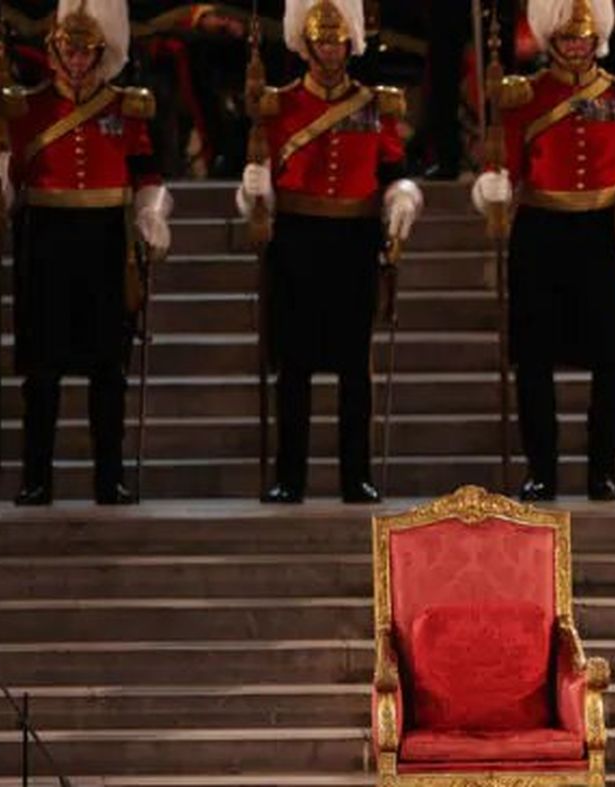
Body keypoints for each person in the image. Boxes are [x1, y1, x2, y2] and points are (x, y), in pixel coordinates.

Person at [470, 0, 615, 502]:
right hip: (540, 233)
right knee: (534, 360)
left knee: (609, 361)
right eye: (567, 38)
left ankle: (602, 469)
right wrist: (491, 186)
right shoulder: (525, 98)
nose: (576, 46)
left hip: (602, 232)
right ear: (551, 40)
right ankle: (542, 469)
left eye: (583, 38)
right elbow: (504, 166)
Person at [0, 0, 172, 505]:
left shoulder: (125, 108)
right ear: (53, 51)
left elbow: (148, 175)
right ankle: (36, 478)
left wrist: (152, 214)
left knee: (109, 368)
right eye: (69, 49)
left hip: (107, 240)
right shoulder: (26, 108)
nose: (78, 59)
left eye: (86, 51)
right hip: (45, 239)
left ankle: (109, 478)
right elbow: (7, 189)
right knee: (42, 370)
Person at [236, 0, 424, 504]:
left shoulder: (374, 104)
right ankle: (289, 476)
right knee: (293, 367)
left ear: (350, 44)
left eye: (337, 41)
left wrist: (402, 195)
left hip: (353, 241)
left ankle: (355, 476)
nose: (330, 50)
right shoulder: (278, 104)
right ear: (305, 44)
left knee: (352, 369)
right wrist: (255, 192)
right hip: (296, 239)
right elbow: (265, 174)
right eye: (321, 41)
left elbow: (393, 169)